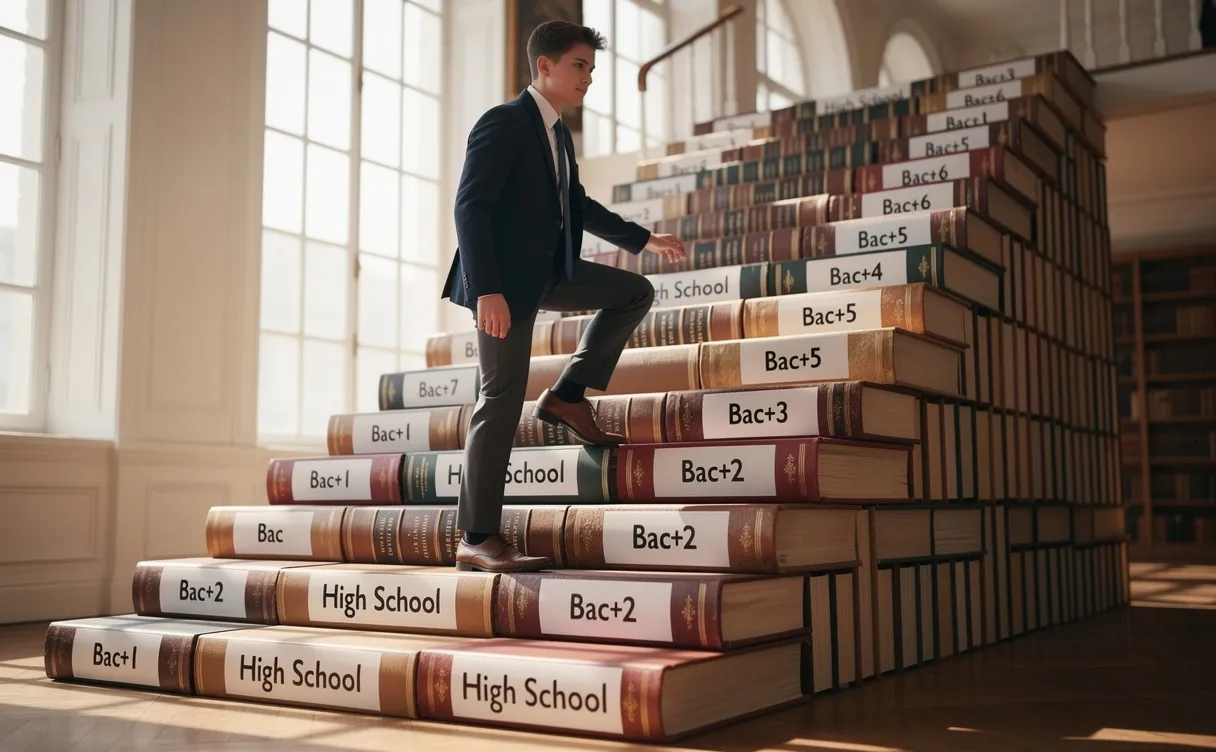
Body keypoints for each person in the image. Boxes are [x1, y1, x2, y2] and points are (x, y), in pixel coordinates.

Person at [440, 19, 687, 573]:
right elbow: (469, 209)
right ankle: (477, 537)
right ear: (544, 66)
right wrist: (488, 291)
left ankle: (568, 395)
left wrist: (642, 238)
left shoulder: (558, 134)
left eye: (593, 69)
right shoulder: (502, 124)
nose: (589, 79)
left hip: (549, 272)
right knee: (500, 399)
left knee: (632, 291)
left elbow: (577, 202)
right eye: (580, 66)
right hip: (502, 285)